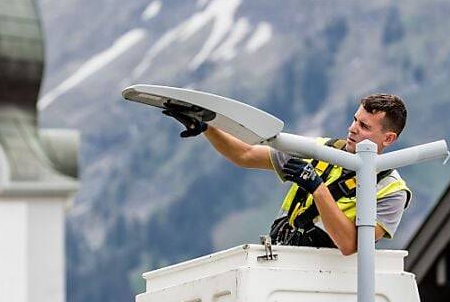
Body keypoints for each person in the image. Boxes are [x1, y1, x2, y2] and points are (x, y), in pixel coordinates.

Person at [163, 94, 411, 255]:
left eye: (364, 126)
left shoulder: (392, 190)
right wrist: (207, 128)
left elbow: (350, 245)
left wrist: (318, 188)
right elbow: (246, 154)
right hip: (281, 260)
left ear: (388, 138)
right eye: (355, 120)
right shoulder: (321, 151)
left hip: (325, 281)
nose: (352, 129)